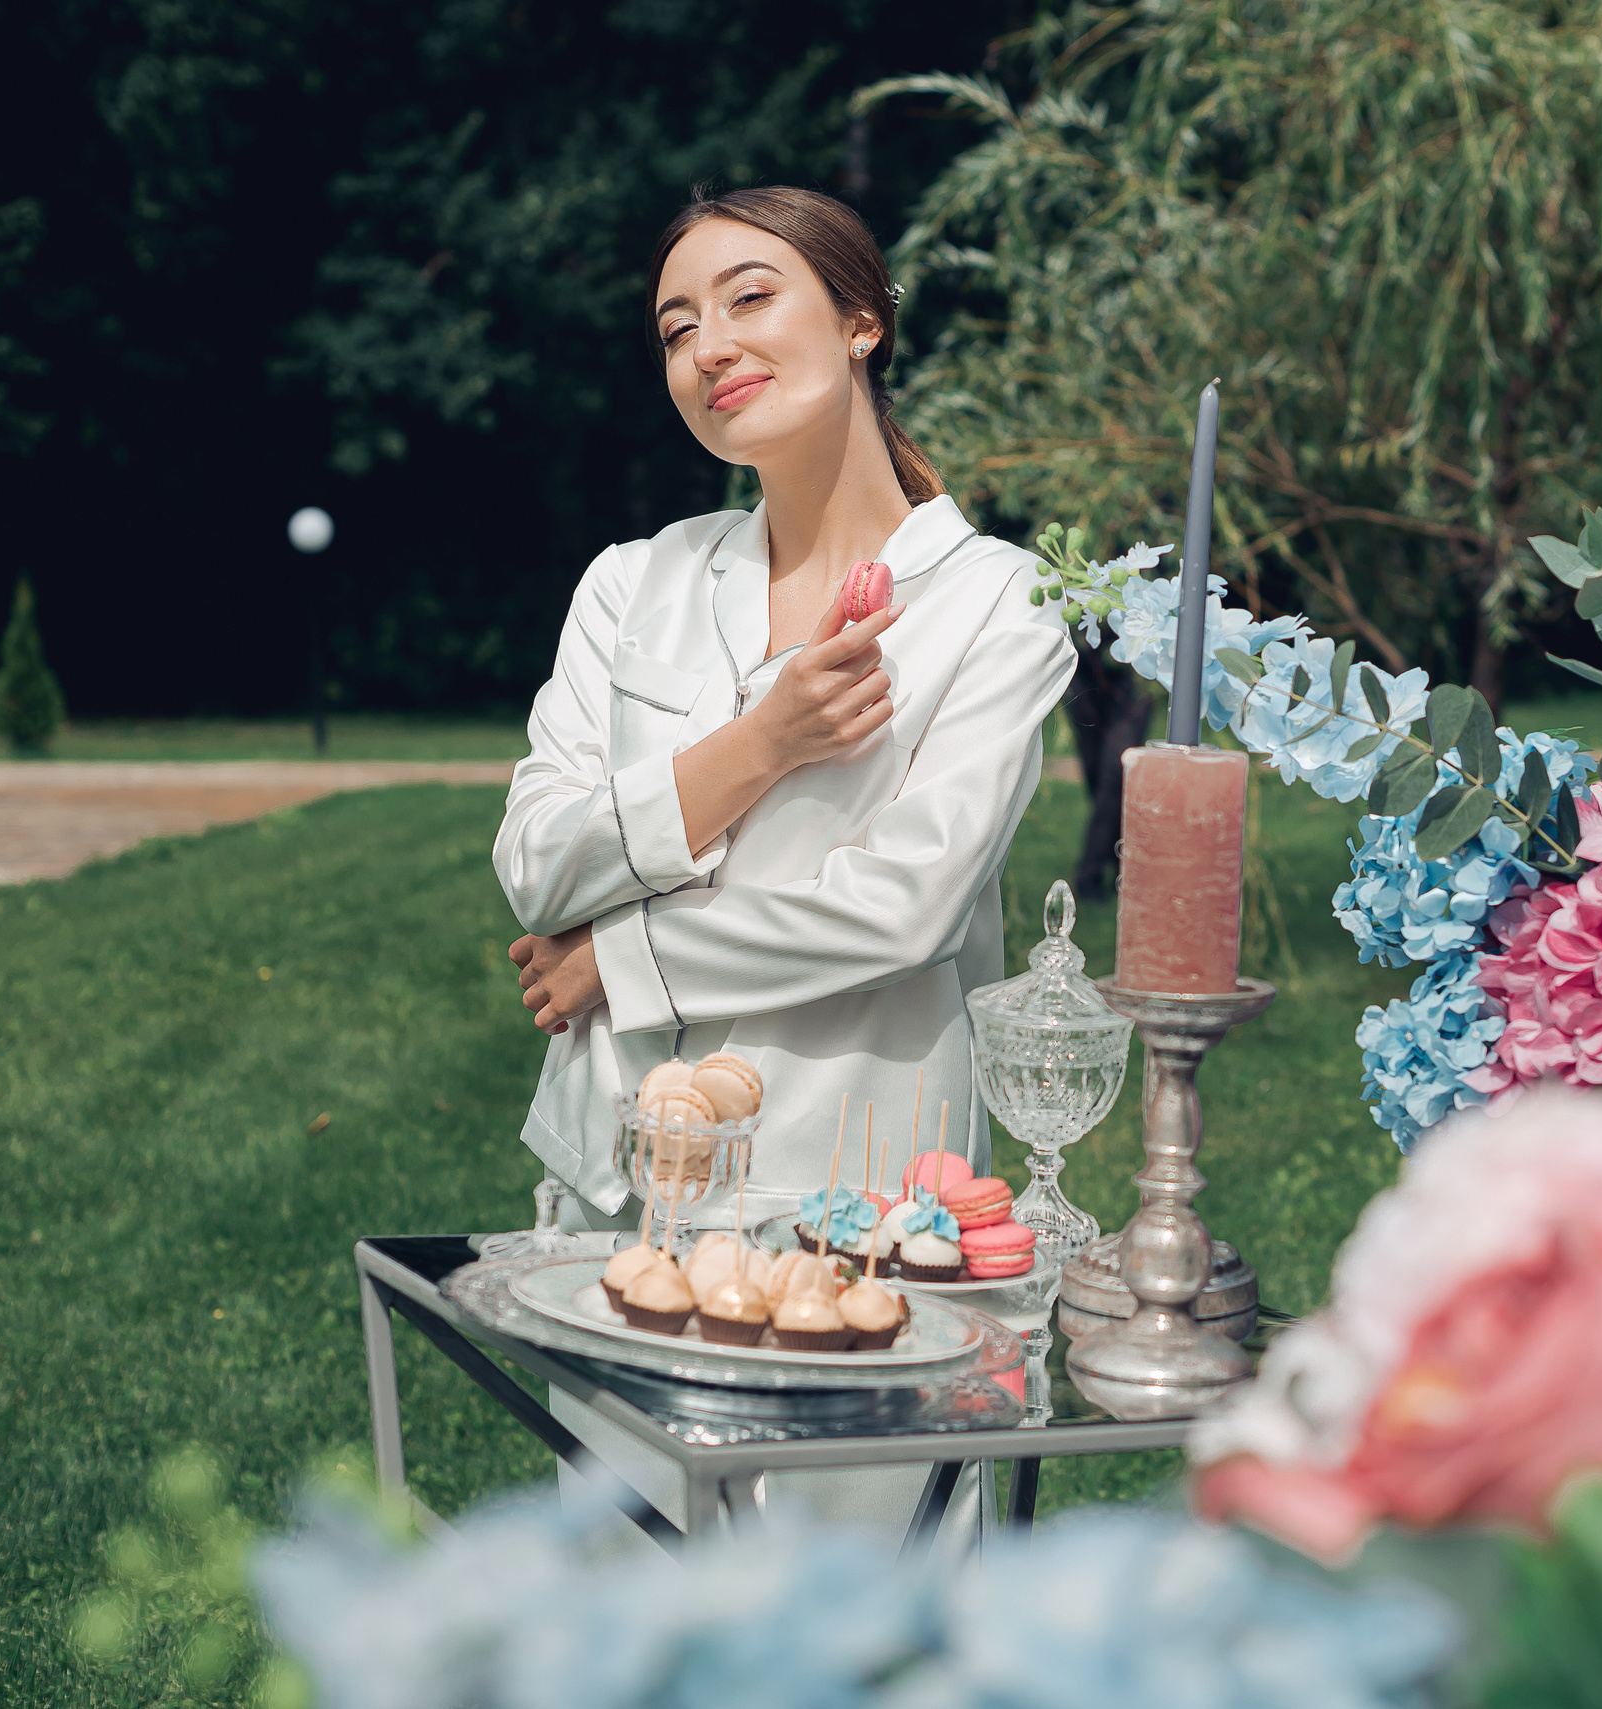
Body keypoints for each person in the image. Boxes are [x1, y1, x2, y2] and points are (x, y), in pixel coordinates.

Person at [491, 186, 1075, 1539]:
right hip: (624, 1188)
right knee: (629, 1593)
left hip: (862, 1198)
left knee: (858, 1605)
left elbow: (904, 905)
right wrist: (759, 746)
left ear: (862, 319)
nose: (709, 346)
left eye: (750, 297)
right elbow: (536, 862)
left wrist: (623, 956)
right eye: (675, 327)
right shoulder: (631, 585)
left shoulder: (997, 602)